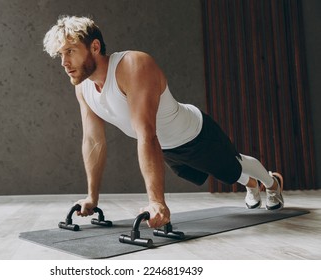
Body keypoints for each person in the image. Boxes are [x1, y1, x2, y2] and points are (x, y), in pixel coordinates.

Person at [43, 15, 284, 229]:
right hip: (165, 148)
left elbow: (146, 133)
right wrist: (91, 198)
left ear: (94, 47)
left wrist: (157, 202)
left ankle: (272, 184)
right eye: (60, 55)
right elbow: (93, 141)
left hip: (196, 134)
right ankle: (251, 185)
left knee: (234, 166)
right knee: (225, 173)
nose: (64, 63)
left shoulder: (133, 65)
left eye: (70, 51)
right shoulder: (83, 88)